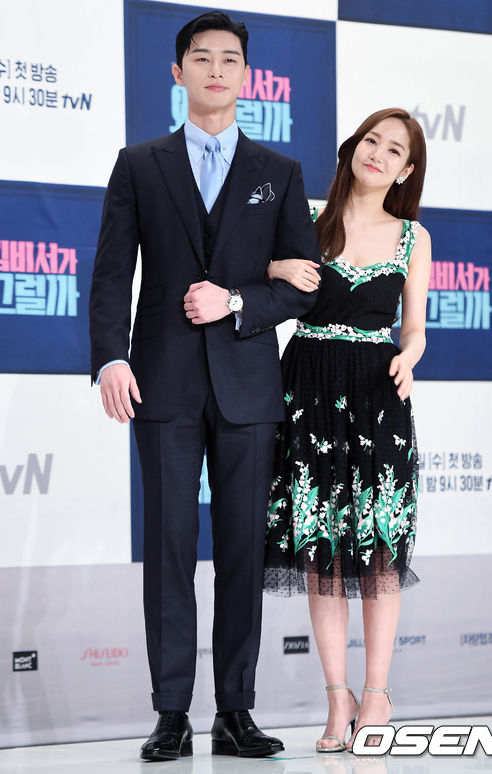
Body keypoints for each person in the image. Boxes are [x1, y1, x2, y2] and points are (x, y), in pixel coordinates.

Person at [89, 11, 320, 761]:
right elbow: (112, 271)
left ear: (246, 76)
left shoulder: (279, 172)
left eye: (229, 60)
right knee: (168, 548)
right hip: (161, 382)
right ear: (177, 72)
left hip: (249, 385)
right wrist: (110, 358)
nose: (215, 70)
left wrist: (240, 301)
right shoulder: (139, 163)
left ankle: (236, 711)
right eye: (201, 58)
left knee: (243, 553)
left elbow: (304, 285)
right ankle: (169, 714)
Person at [263, 108, 431, 752]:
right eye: (371, 141)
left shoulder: (413, 237)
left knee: (378, 550)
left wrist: (409, 356)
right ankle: (338, 700)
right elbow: (258, 274)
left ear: (406, 171)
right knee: (321, 549)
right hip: (307, 386)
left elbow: (414, 327)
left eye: (394, 150)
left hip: (376, 393)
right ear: (353, 147)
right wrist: (276, 270)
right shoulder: (307, 217)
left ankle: (377, 695)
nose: (377, 154)